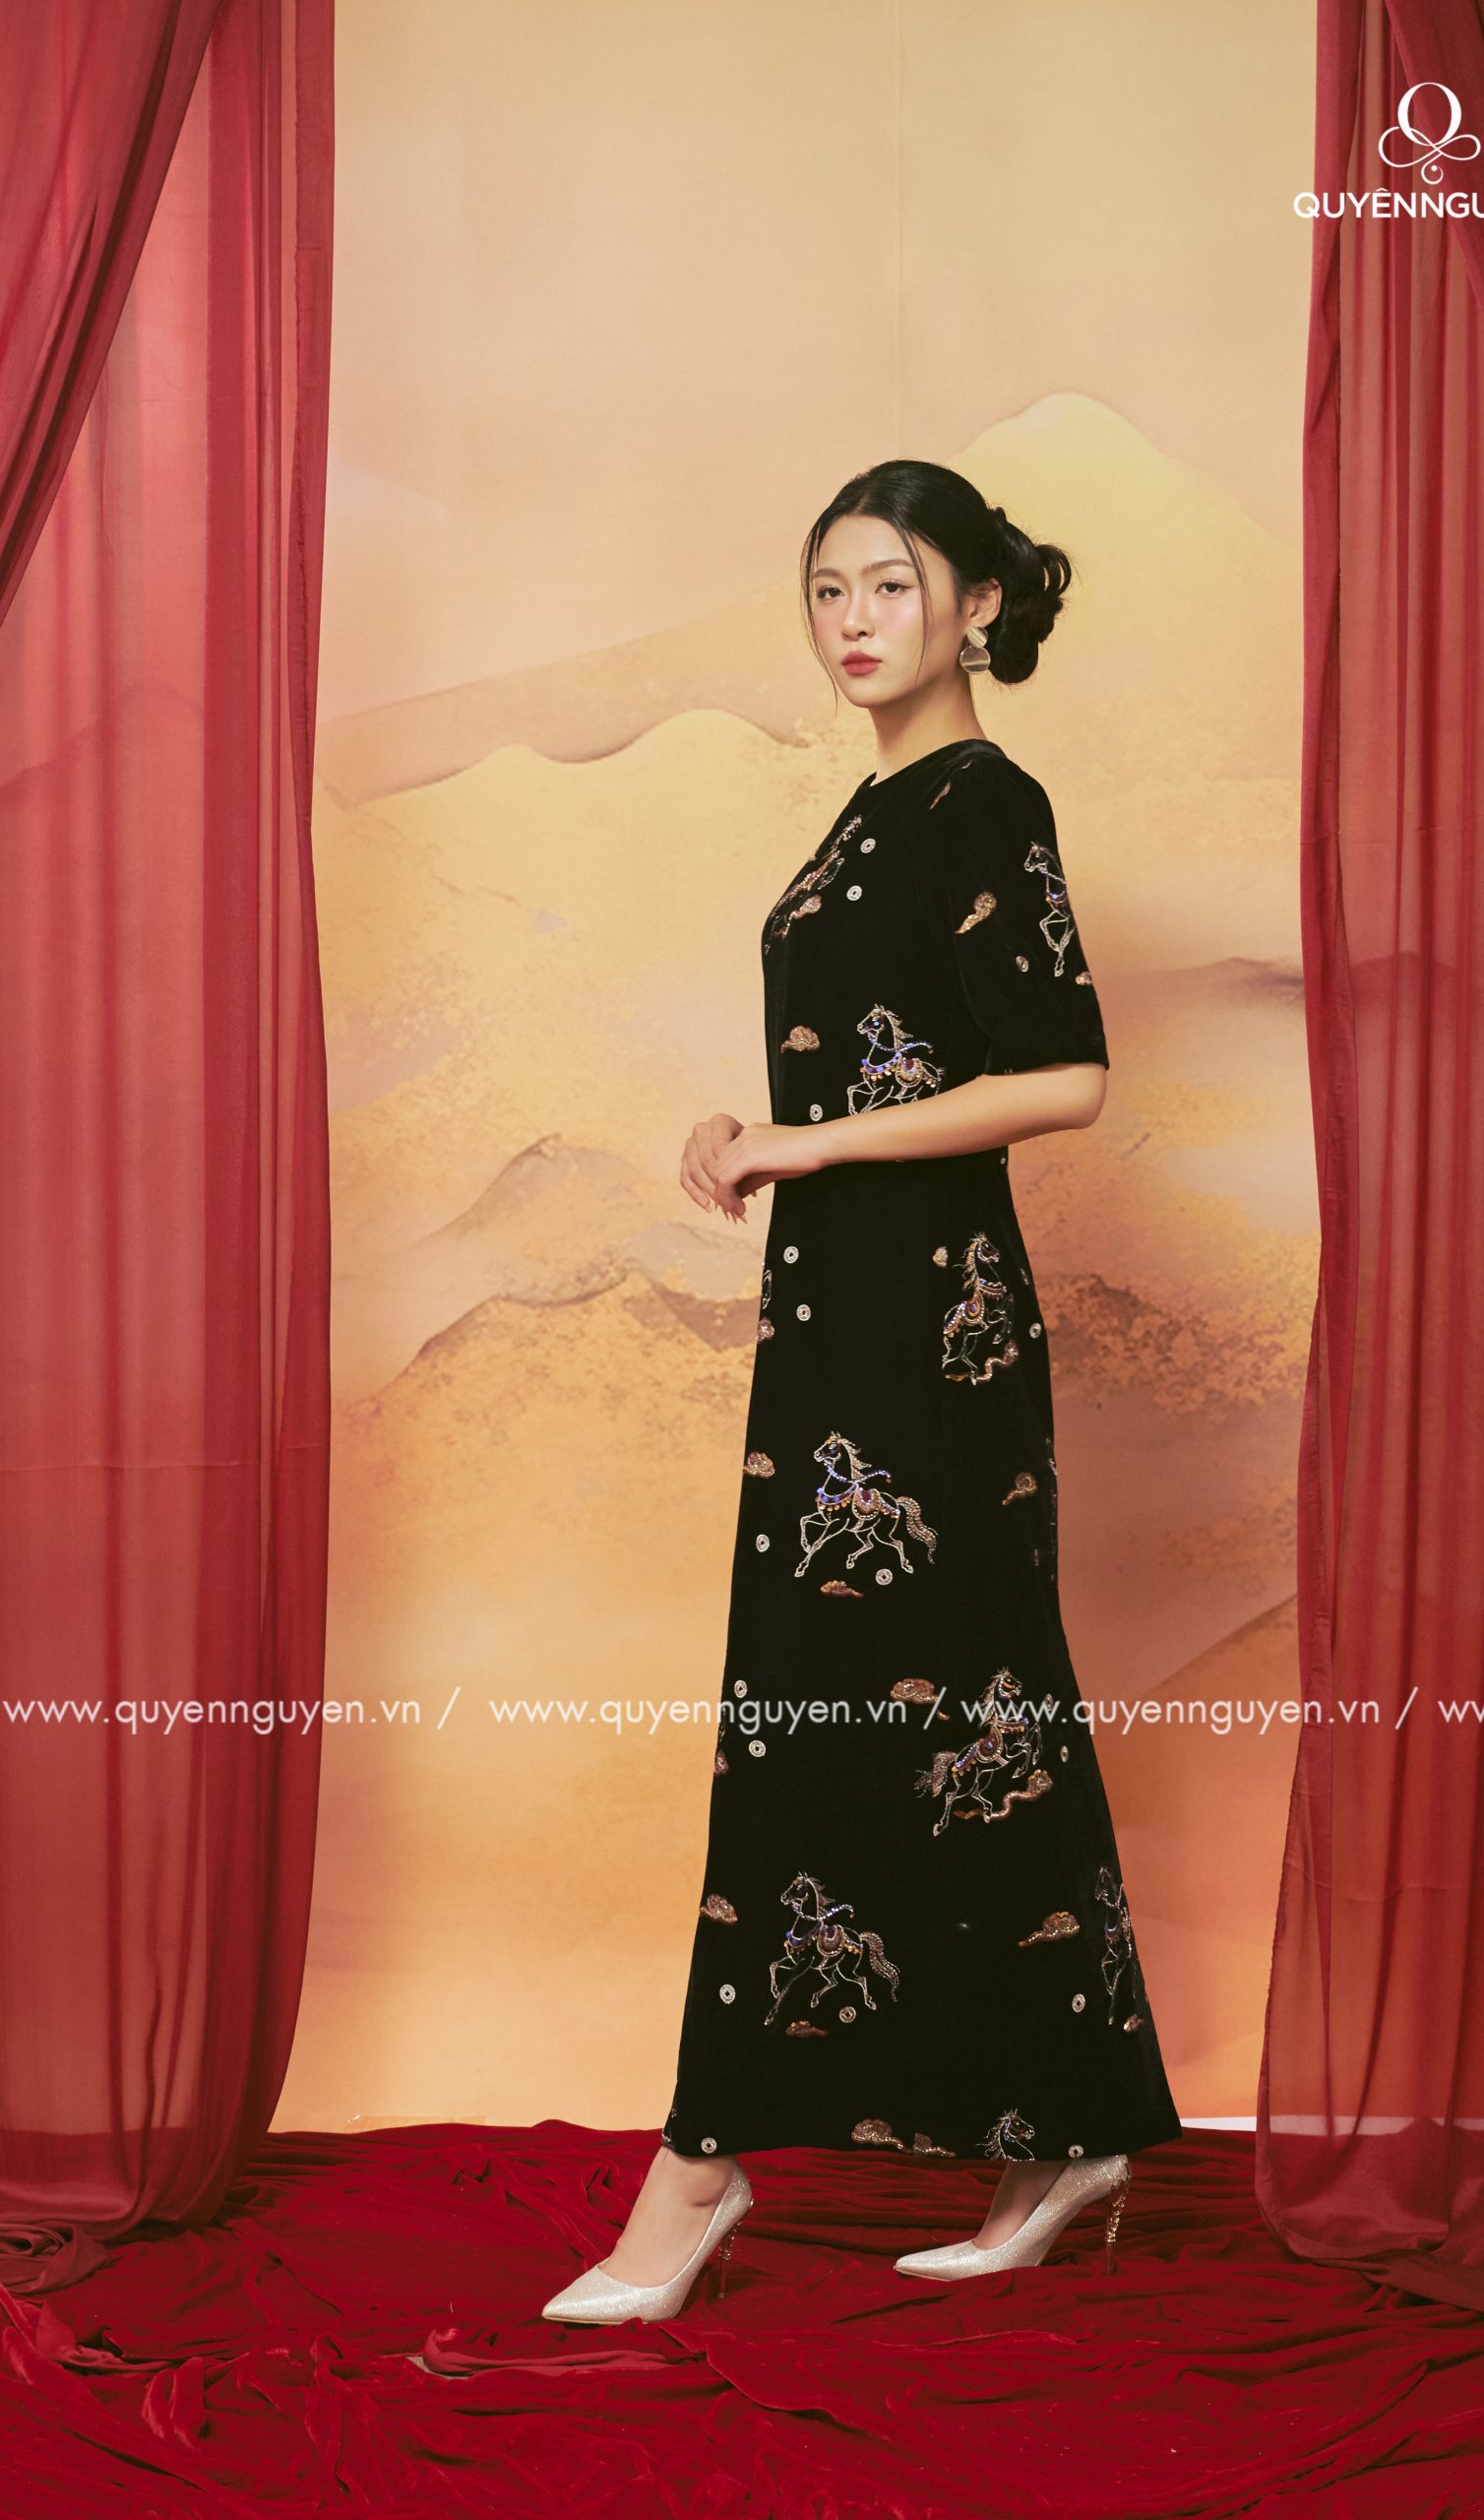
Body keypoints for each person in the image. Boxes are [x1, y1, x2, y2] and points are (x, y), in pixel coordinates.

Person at [541, 459, 1183, 2324]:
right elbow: (872, 1057)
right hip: (844, 1314)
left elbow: (1063, 1076)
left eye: (890, 584)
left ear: (974, 604)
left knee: (840, 1713)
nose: (851, 618)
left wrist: (809, 1147)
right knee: (964, 1710)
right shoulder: (872, 810)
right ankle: (1067, 2134)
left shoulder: (986, 798)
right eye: (827, 587)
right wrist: (746, 1133)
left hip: (929, 1333)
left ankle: (698, 2172)